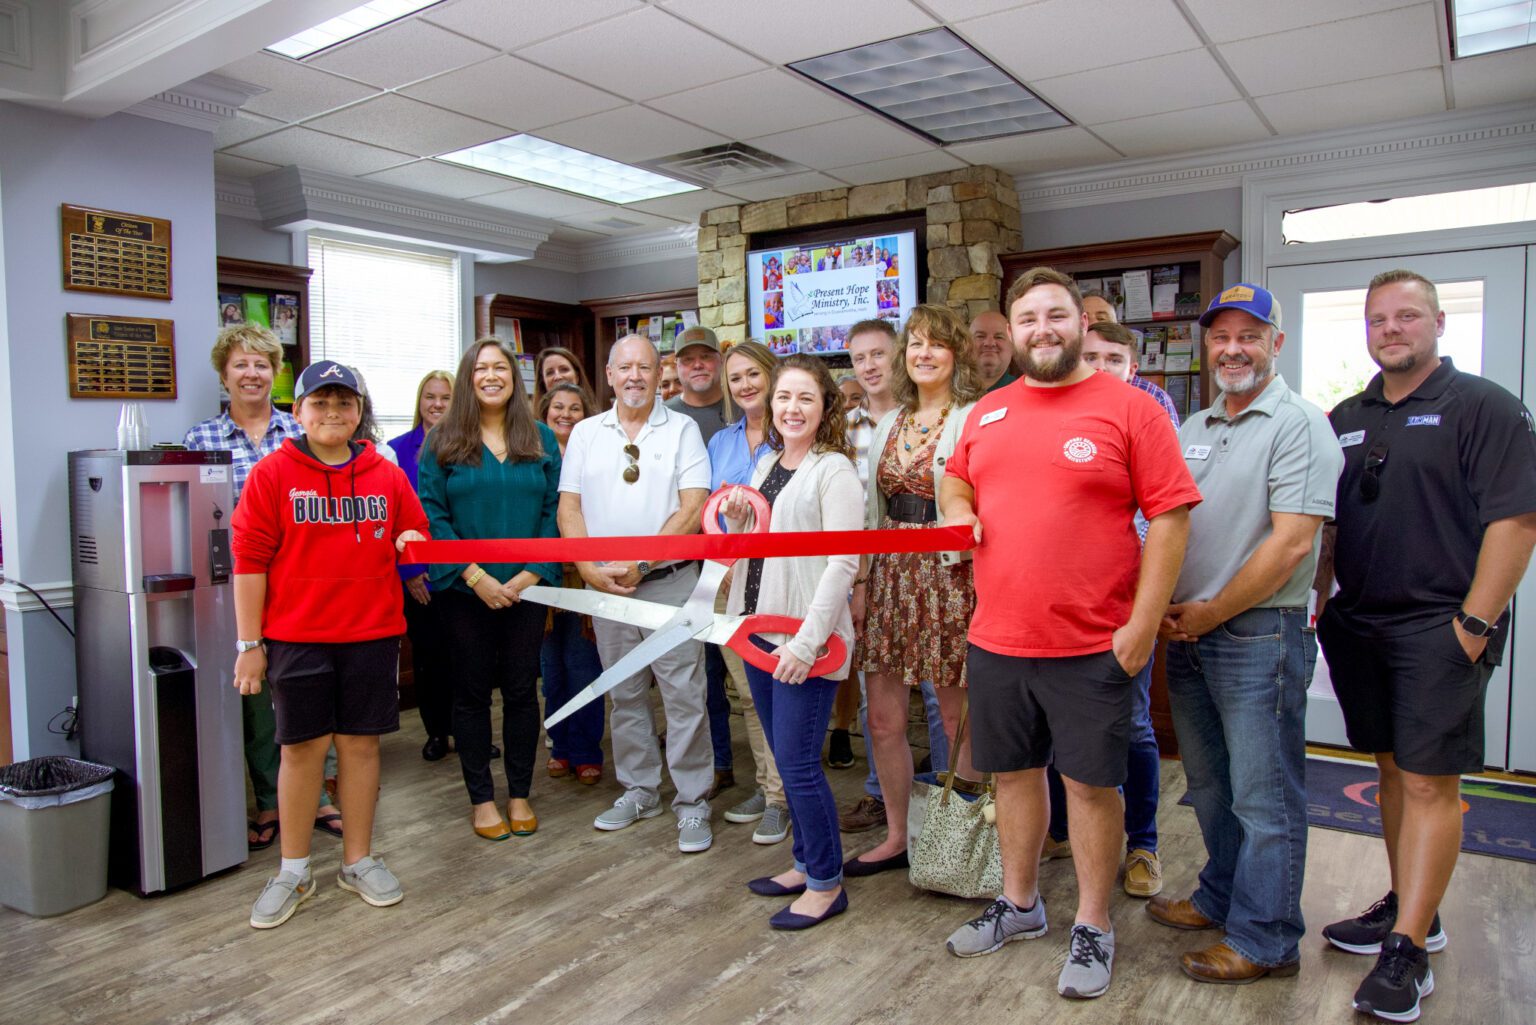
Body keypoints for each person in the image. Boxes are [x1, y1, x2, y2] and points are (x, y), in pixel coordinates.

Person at [939, 267, 1200, 1000]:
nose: (1042, 328)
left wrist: (1144, 624)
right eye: (1027, 319)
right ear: (1013, 331)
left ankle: (1093, 922)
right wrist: (956, 507)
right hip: (996, 637)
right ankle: (1021, 903)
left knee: (1091, 787)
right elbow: (955, 480)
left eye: (1056, 314)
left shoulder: (1130, 408)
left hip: (1093, 643)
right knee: (1015, 776)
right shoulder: (987, 412)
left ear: (1083, 325)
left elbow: (1172, 516)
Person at [1314, 270, 1536, 1023]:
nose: (1391, 329)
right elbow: (1329, 526)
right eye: (1378, 319)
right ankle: (1415, 905)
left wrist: (1474, 625)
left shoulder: (1484, 407)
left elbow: (1517, 522)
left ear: (1438, 322)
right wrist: (1319, 609)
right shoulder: (1347, 414)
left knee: (1432, 782)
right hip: (1361, 624)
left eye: (1407, 316)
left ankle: (1406, 952)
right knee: (1390, 772)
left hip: (1441, 625)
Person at [1152, 283, 1342, 984]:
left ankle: (1265, 938)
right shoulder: (1193, 426)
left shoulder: (1299, 423)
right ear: (1207, 346)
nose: (1234, 348)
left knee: (1264, 797)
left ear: (1276, 345)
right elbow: (1166, 527)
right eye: (1221, 336)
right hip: (1190, 635)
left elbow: (1292, 545)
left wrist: (1207, 612)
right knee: (1208, 785)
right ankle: (1221, 895)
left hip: (1259, 636)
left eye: (1250, 335)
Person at [232, 360, 428, 929]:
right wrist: (250, 643)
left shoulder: (385, 474)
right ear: (297, 412)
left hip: (370, 636)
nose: (333, 413)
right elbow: (249, 564)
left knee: (362, 749)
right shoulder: (272, 473)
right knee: (301, 752)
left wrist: (412, 540)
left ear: (359, 413)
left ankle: (358, 861)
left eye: (344, 403)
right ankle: (293, 869)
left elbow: (411, 535)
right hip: (296, 639)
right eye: (320, 403)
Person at [183, 325, 342, 851]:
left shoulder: (302, 429)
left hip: (308, 581)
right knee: (258, 696)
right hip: (243, 583)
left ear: (276, 375)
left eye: (261, 365)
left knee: (317, 685)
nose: (251, 373)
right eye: (240, 364)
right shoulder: (200, 440)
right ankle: (269, 800)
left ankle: (320, 794)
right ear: (224, 374)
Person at [558, 334, 715, 854]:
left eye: (644, 368)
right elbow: (570, 510)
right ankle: (639, 789)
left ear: (657, 373)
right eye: (624, 368)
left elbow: (693, 507)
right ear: (608, 374)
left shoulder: (684, 429)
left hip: (668, 582)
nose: (634, 377)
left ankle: (693, 802)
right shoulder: (585, 433)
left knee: (684, 697)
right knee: (624, 694)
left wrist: (642, 561)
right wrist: (587, 569)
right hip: (605, 587)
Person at [722, 354, 863, 929]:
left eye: (806, 398)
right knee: (784, 757)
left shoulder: (835, 470)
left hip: (804, 641)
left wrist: (808, 643)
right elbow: (754, 547)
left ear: (826, 405)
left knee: (801, 765)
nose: (792, 408)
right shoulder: (764, 467)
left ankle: (828, 883)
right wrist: (735, 521)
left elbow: (843, 563)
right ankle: (804, 863)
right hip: (757, 631)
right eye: (784, 397)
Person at [844, 304, 984, 878]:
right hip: (888, 573)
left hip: (950, 575)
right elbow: (870, 508)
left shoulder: (974, 416)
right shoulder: (889, 422)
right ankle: (899, 833)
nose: (924, 354)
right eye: (916, 344)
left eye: (938, 344)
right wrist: (859, 582)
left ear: (956, 355)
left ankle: (962, 839)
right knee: (882, 720)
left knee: (956, 721)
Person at [1043, 319, 1178, 895]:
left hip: (1123, 602)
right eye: (1090, 356)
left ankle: (1142, 844)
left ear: (1133, 366)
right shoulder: (1051, 410)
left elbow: (1162, 519)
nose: (1100, 368)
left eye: (1113, 359)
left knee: (1135, 725)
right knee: (1055, 725)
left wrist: (1142, 613)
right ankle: (1065, 832)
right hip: (1057, 603)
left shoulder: (1148, 414)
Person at [417, 338, 562, 842]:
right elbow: (432, 515)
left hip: (526, 589)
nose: (492, 375)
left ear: (514, 378)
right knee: (472, 694)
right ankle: (482, 800)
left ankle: (519, 793)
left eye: (501, 367)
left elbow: (553, 515)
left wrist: (527, 576)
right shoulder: (442, 441)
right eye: (481, 368)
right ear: (468, 378)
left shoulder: (541, 438)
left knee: (524, 691)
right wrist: (476, 576)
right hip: (464, 593)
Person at [836, 320, 949, 830]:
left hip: (941, 572)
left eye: (878, 354)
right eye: (859, 358)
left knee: (943, 705)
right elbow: (856, 512)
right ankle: (887, 806)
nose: (869, 366)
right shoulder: (849, 429)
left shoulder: (946, 417)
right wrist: (857, 581)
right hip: (875, 570)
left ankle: (953, 816)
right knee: (878, 708)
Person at [706, 341, 788, 843]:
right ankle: (768, 786)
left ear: (771, 375)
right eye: (735, 378)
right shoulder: (720, 443)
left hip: (780, 585)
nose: (745, 385)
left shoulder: (796, 432)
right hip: (727, 586)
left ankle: (784, 795)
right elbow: (708, 515)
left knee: (783, 691)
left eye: (753, 374)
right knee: (750, 697)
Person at [537, 382, 606, 786]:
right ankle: (559, 746)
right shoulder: (536, 456)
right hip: (545, 579)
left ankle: (585, 751)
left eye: (575, 408)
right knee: (552, 672)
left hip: (585, 580)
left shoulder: (594, 456)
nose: (565, 414)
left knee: (583, 669)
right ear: (544, 416)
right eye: (557, 408)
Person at [388, 370, 455, 762]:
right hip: (421, 575)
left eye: (445, 397)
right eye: (430, 397)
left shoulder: (469, 446)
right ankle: (437, 733)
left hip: (462, 572)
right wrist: (411, 572)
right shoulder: (395, 451)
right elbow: (394, 522)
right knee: (429, 658)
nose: (437, 405)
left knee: (464, 657)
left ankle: (466, 730)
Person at [666, 326, 727, 443]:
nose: (697, 365)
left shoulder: (743, 409)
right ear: (677, 366)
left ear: (721, 359)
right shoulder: (664, 415)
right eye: (688, 359)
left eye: (705, 356)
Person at [971, 310, 1016, 392]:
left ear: (1013, 347)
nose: (989, 343)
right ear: (966, 345)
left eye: (999, 337)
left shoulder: (1024, 395)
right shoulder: (949, 393)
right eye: (980, 336)